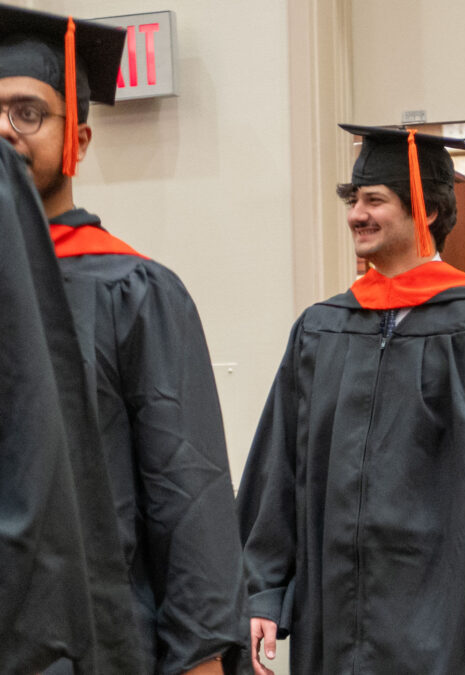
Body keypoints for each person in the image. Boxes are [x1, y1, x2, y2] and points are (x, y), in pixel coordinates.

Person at [237, 124, 465, 675]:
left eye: (375, 200)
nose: (356, 215)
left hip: (446, 621)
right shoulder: (322, 330)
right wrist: (262, 590)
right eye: (353, 200)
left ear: (427, 210)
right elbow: (279, 468)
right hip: (335, 615)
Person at [0, 7, 245, 673]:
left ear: (77, 136)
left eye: (28, 113)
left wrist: (200, 657)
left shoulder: (133, 290)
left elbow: (186, 489)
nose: (5, 131)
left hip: (98, 644)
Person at [1, 136, 141, 675]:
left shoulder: (135, 286)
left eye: (28, 113)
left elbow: (183, 475)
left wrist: (202, 642)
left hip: (88, 606)